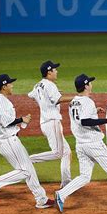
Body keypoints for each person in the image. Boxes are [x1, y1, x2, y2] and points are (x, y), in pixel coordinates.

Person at [54, 74, 107, 213]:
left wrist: (95, 111)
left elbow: (80, 118)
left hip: (81, 145)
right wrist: (106, 120)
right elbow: (84, 121)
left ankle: (61, 194)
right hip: (94, 144)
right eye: (90, 83)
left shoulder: (73, 101)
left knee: (85, 176)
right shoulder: (87, 101)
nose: (91, 85)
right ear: (86, 85)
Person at [0, 74, 54, 209]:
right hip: (8, 141)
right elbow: (5, 122)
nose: (12, 85)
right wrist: (22, 120)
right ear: (4, 86)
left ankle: (41, 199)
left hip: (5, 139)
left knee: (29, 169)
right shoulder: (3, 101)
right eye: (10, 83)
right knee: (25, 171)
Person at [28, 60, 73, 188]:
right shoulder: (50, 85)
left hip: (46, 122)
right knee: (58, 152)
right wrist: (76, 97)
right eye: (54, 69)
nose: (56, 71)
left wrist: (46, 96)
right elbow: (58, 100)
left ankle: (66, 182)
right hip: (52, 122)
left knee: (66, 152)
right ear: (49, 72)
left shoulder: (38, 85)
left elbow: (30, 95)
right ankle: (28, 159)